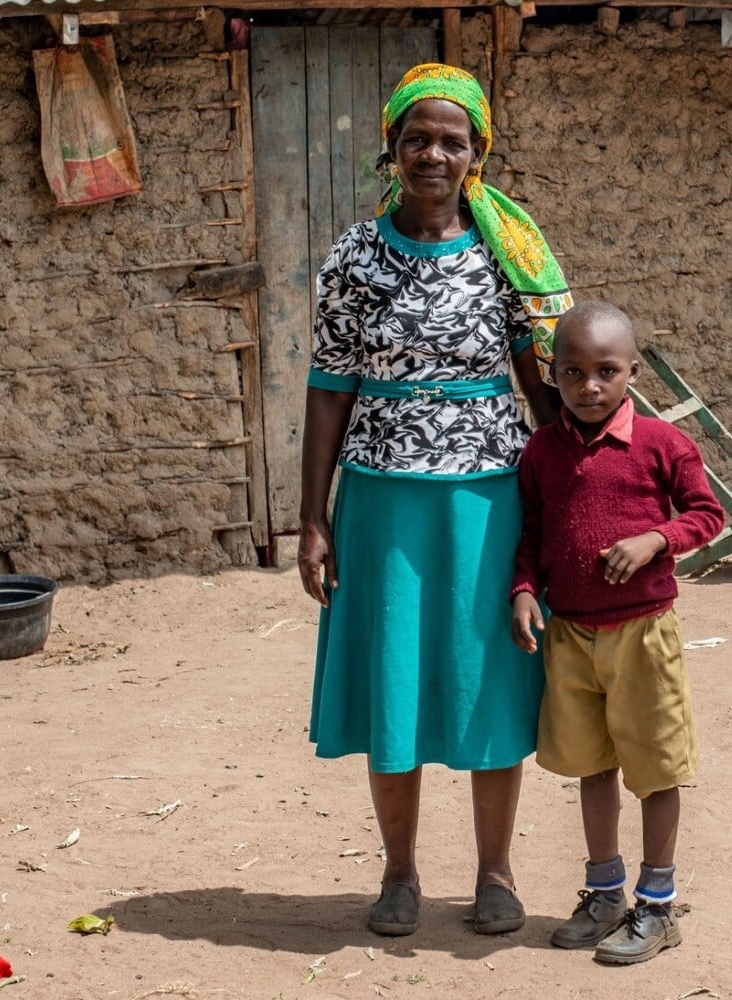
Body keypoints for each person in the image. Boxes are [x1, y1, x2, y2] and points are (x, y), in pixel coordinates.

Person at [298, 63, 572, 938]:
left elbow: (542, 387)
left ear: (476, 153)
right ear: (391, 147)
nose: (433, 153)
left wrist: (570, 496)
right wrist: (313, 518)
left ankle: (496, 874)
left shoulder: (504, 254)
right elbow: (328, 389)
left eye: (452, 140)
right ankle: (400, 873)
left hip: (487, 501)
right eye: (417, 137)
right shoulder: (353, 257)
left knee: (489, 684)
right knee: (395, 686)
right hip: (381, 505)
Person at [509, 301, 725, 965]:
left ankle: (656, 907)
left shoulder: (662, 444)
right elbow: (531, 534)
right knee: (592, 767)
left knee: (654, 770)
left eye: (606, 370)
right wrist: (521, 590)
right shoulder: (542, 451)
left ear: (632, 369)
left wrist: (656, 538)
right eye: (572, 373)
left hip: (642, 634)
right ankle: (604, 892)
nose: (590, 386)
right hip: (570, 637)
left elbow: (706, 514)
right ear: (553, 375)